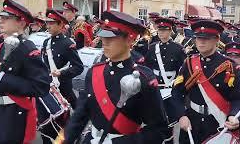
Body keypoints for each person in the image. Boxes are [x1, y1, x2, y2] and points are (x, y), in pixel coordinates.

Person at [64, 11, 169, 144]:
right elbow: (79, 116)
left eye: (111, 38)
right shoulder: (94, 72)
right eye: (103, 37)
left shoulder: (143, 79)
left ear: (129, 39)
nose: (104, 42)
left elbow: (158, 131)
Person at [170, 20, 240, 143]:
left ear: (217, 40)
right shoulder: (189, 63)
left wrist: (234, 115)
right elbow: (177, 92)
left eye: (207, 38)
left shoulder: (229, 66)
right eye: (198, 38)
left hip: (218, 124)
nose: (201, 41)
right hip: (192, 123)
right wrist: (181, 115)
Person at [0, 0, 50, 144]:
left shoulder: (27, 48)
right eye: (1, 18)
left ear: (22, 23)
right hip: (0, 112)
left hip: (17, 114)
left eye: (7, 18)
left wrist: (5, 80)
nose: (1, 21)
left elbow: (41, 86)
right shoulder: (2, 46)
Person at [39, 9, 84, 144]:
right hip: (49, 89)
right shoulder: (46, 42)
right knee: (46, 122)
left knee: (64, 124)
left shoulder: (67, 44)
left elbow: (78, 67)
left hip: (63, 89)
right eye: (47, 23)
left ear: (60, 25)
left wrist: (62, 73)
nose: (48, 26)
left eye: (52, 23)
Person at [144, 17, 186, 142]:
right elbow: (147, 67)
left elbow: (183, 70)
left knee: (168, 123)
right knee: (154, 120)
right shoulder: (152, 47)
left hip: (169, 89)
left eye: (164, 30)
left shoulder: (178, 49)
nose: (161, 33)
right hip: (155, 89)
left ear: (170, 31)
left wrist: (177, 87)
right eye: (159, 30)